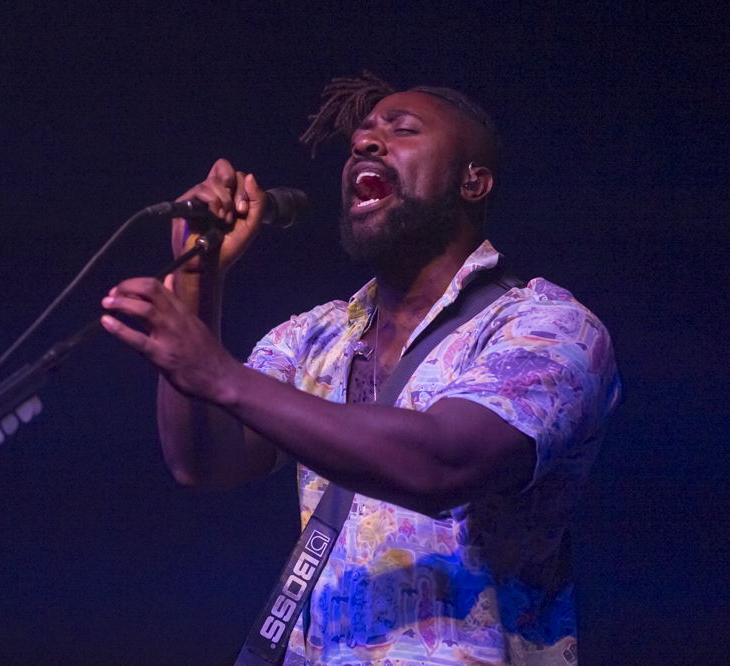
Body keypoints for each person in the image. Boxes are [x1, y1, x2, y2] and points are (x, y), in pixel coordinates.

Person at [100, 73, 620, 665]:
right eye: (361, 137)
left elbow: (443, 462)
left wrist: (222, 375)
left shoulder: (550, 327)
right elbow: (205, 459)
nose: (365, 143)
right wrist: (199, 276)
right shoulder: (313, 336)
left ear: (473, 182)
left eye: (403, 130)